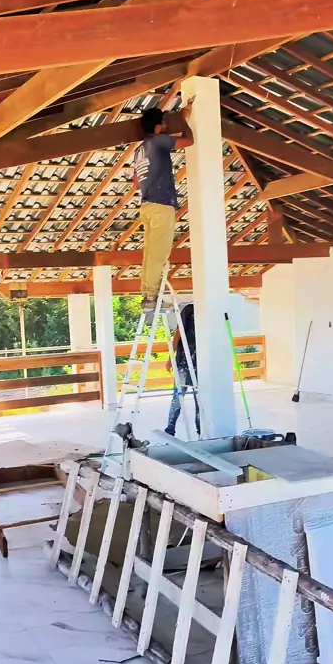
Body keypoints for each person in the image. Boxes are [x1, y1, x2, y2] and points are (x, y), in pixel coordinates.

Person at [133, 105, 194, 312]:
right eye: (165, 124)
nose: (167, 127)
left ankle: (148, 296)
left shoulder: (139, 151)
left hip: (147, 205)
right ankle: (151, 297)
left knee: (150, 254)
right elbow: (189, 140)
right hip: (161, 206)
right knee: (158, 254)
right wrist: (184, 118)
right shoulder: (158, 141)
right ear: (157, 127)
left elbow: (136, 182)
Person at [165, 302, 200, 438]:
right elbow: (177, 335)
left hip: (201, 365)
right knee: (177, 398)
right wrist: (171, 359)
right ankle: (170, 429)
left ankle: (201, 431)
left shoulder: (209, 311)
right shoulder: (189, 310)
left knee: (200, 401)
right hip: (184, 363)